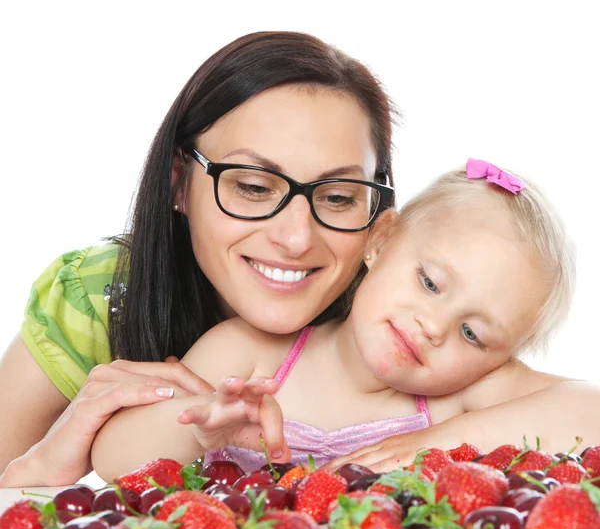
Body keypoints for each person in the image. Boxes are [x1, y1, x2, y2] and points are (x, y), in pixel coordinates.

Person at [0, 30, 396, 486]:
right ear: (178, 182)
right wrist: (40, 467)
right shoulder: (98, 298)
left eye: (339, 196)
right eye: (253, 187)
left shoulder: (411, 318)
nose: (296, 239)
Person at [91, 159, 600, 480]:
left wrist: (436, 443)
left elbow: (591, 409)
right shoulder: (249, 353)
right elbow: (113, 460)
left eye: (473, 333)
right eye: (429, 283)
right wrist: (201, 431)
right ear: (381, 242)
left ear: (498, 356)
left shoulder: (459, 398)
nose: (434, 326)